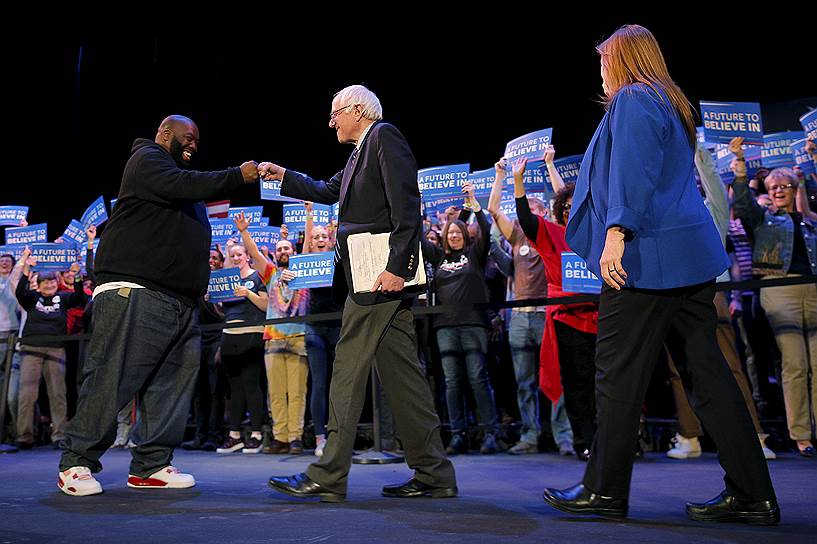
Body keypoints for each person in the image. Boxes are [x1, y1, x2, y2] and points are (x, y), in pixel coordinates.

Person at [542, 25, 779, 524]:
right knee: (708, 375)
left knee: (616, 375)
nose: (600, 73)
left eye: (603, 62)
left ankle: (604, 491)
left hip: (645, 260)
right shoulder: (670, 101)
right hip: (685, 259)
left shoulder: (633, 99)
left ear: (622, 60)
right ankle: (753, 494)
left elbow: (634, 171)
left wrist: (616, 234)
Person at [259, 84, 456, 502]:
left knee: (346, 369)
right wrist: (284, 177)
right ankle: (435, 473)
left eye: (335, 113)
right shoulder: (358, 154)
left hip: (378, 276)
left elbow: (406, 203)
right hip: (371, 275)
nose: (330, 122)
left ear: (358, 110)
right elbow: (328, 191)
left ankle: (327, 473)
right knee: (405, 378)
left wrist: (397, 267)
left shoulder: (384, 136)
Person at [57, 114, 259, 496]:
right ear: (165, 134)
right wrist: (236, 175)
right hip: (135, 290)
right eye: (188, 137)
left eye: (198, 141)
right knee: (112, 377)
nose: (194, 145)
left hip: (179, 302)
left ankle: (151, 465)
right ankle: (76, 462)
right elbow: (181, 184)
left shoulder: (180, 182)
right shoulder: (147, 159)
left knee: (169, 386)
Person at [420, 182, 500, 455]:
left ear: (466, 236)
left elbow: (486, 230)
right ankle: (458, 435)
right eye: (450, 232)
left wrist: (474, 204)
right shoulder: (438, 257)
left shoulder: (474, 256)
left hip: (473, 324)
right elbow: (419, 239)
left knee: (478, 378)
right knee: (452, 382)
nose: (454, 235)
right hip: (445, 327)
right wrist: (419, 211)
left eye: (458, 232)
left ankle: (490, 433)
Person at [215, 241, 268, 455]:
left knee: (251, 385)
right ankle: (234, 435)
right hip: (229, 337)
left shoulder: (257, 277)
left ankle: (256, 434)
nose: (236, 258)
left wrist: (249, 294)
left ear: (247, 256)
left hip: (251, 334)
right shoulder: (225, 281)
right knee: (234, 388)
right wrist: (214, 300)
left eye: (239, 254)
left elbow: (266, 305)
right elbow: (223, 312)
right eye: (232, 255)